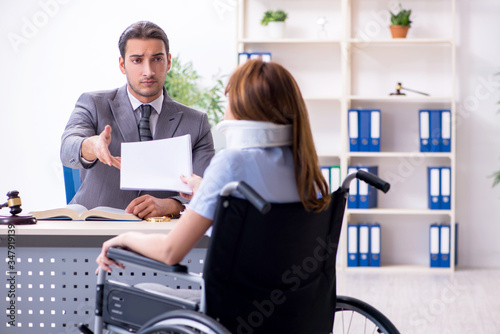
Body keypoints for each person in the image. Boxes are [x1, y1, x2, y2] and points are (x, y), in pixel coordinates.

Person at [97, 59, 330, 271]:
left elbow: (169, 252)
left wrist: (124, 237)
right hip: (295, 311)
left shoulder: (230, 164)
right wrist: (208, 188)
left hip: (230, 310)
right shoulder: (307, 173)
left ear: (241, 107)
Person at [60, 21, 215, 219]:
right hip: (93, 229)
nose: (148, 71)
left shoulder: (196, 123)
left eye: (157, 59)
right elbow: (67, 148)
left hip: (162, 236)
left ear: (168, 62)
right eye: (137, 60)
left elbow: (206, 189)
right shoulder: (92, 104)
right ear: (122, 65)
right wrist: (91, 146)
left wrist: (173, 205)